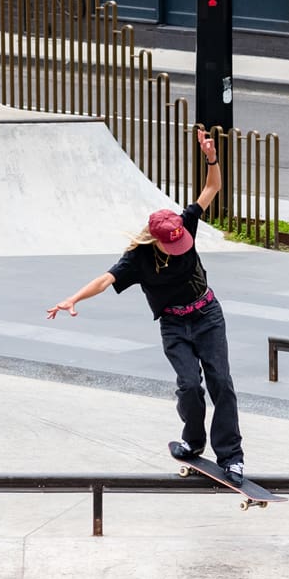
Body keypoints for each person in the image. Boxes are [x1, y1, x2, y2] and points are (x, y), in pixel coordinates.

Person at [48, 129, 246, 479]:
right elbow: (105, 279)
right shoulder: (137, 258)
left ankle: (231, 455)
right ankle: (194, 442)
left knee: (222, 383)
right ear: (156, 240)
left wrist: (210, 156)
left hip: (207, 315)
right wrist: (73, 298)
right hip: (174, 325)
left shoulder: (183, 223)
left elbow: (211, 189)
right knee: (189, 385)